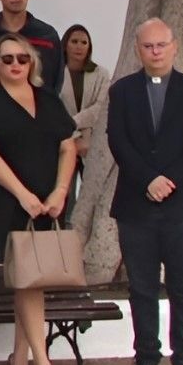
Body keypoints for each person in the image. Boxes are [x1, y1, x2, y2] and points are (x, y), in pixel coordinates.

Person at [0, 33, 79, 365]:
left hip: (49, 203)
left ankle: (19, 360)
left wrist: (60, 190)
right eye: (7, 59)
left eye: (22, 59)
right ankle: (42, 364)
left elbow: (68, 146)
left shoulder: (48, 100)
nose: (15, 65)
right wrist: (23, 194)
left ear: (33, 64)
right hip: (6, 203)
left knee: (32, 280)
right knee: (27, 279)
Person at [109, 19, 183, 365]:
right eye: (148, 46)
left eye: (161, 45)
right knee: (141, 287)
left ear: (173, 47)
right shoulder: (122, 91)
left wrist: (168, 180)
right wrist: (147, 180)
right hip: (136, 204)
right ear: (138, 50)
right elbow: (118, 141)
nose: (155, 52)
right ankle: (146, 361)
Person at [58, 24, 121, 283]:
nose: (79, 46)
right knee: (65, 197)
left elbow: (101, 107)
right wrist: (71, 133)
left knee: (93, 195)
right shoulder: (55, 73)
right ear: (65, 44)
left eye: (84, 42)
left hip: (94, 143)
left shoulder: (100, 74)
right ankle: (63, 252)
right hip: (63, 142)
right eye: (74, 41)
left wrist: (75, 123)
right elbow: (52, 105)